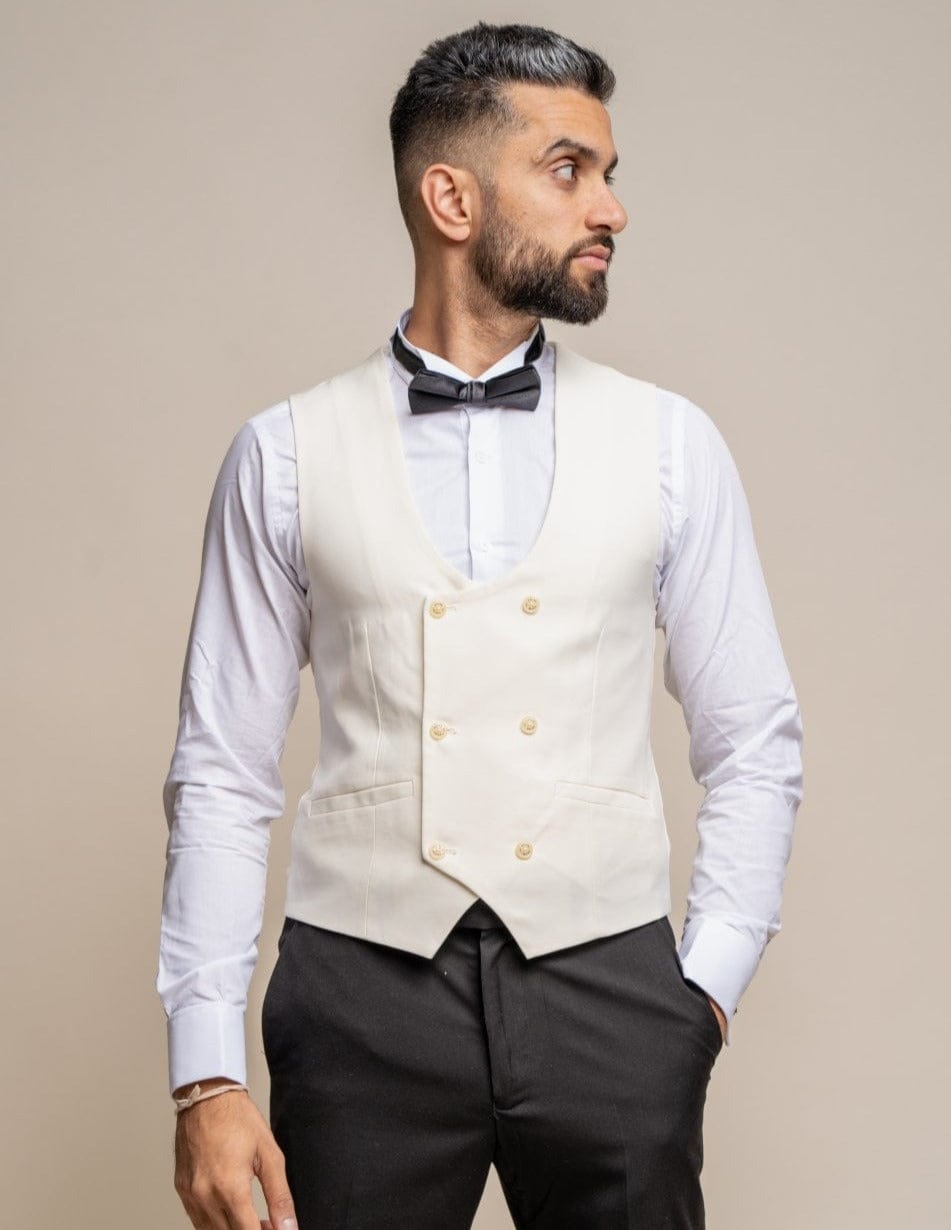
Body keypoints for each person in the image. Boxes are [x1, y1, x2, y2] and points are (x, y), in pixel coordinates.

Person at [156, 20, 803, 1230]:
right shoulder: (283, 454)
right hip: (358, 1001)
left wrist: (698, 995)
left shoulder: (671, 445)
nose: (609, 208)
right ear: (449, 198)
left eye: (607, 173)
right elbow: (221, 772)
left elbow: (753, 740)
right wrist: (206, 1072)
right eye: (568, 170)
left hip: (612, 990)